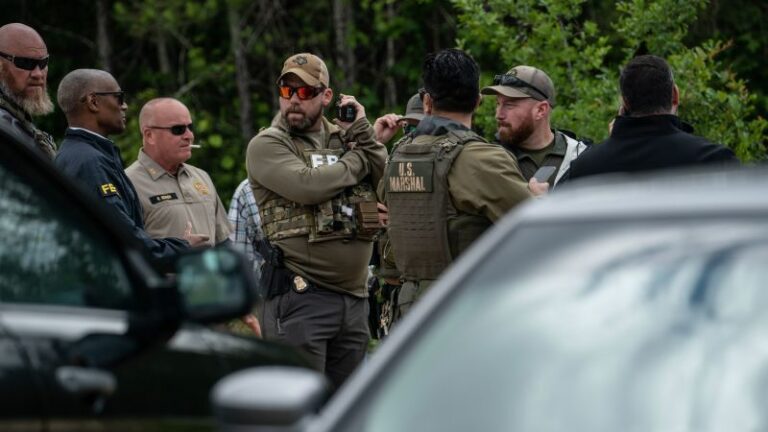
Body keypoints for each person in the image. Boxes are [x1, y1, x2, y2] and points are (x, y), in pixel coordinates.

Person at [246, 53, 387, 388]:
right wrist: (357, 158)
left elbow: (385, 178)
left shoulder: (344, 136)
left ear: (326, 96)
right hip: (300, 298)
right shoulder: (267, 143)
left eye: (306, 92)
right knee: (297, 408)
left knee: (345, 412)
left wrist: (364, 134)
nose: (294, 100)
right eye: (287, 91)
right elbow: (308, 186)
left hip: (353, 299)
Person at [381, 49, 544, 322]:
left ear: (427, 102)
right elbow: (537, 233)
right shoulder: (482, 159)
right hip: (464, 312)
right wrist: (538, 200)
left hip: (408, 314)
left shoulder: (398, 155)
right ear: (478, 101)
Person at [54, 69, 205, 271]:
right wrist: (183, 248)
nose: (124, 106)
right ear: (93, 102)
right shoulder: (89, 162)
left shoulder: (82, 154)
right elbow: (123, 239)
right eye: (118, 98)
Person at [564, 55, 738, 180]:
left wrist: (613, 144)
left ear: (624, 102)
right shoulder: (715, 160)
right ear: (675, 95)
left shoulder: (584, 168)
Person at [126, 98, 229, 248]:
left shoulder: (201, 177)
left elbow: (224, 242)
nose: (189, 136)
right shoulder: (127, 183)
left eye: (190, 127)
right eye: (178, 130)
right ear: (149, 135)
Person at [481, 65, 589, 187]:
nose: (498, 114)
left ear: (541, 110)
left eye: (509, 105)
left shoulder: (580, 157)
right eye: (498, 104)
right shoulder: (489, 160)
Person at [0, 23, 56, 159]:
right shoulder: (5, 127)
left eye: (43, 63)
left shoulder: (16, 120)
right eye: (25, 63)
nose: (38, 74)